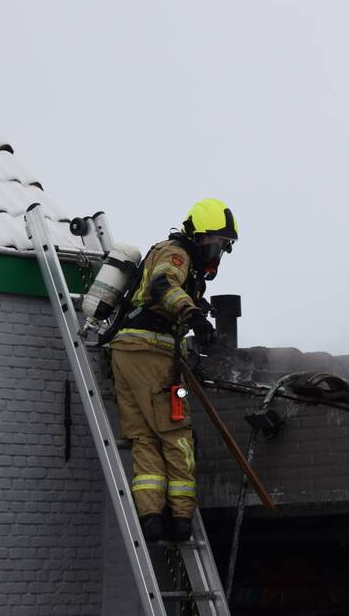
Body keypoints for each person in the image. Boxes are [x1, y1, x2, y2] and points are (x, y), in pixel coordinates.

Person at [108, 198, 237, 542]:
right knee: (177, 433)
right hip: (152, 353)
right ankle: (181, 517)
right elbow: (162, 285)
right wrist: (192, 314)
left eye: (223, 246)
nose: (217, 252)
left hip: (126, 352)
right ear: (196, 235)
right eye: (214, 243)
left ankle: (151, 516)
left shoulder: (180, 259)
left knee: (144, 438)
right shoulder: (177, 254)